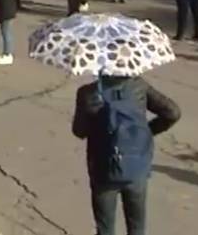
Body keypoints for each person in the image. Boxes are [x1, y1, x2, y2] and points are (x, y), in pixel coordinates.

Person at [72, 74, 181, 235]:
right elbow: (173, 112)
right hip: (136, 166)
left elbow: (79, 131)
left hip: (103, 169)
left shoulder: (88, 92)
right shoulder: (139, 86)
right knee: (137, 227)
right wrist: (148, 132)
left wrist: (90, 111)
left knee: (105, 228)